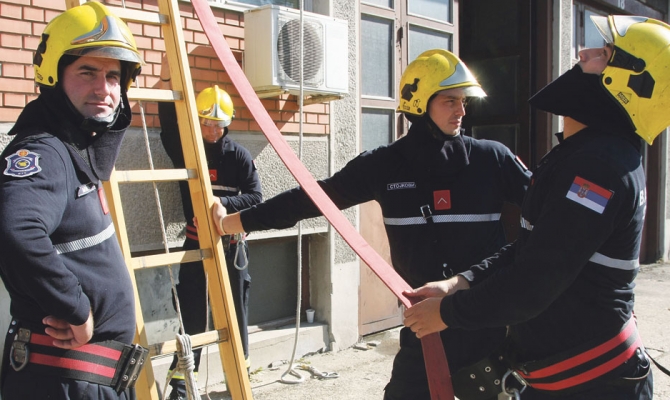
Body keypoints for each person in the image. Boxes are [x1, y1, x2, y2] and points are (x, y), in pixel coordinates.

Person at [210, 49, 532, 399]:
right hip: (424, 330)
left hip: (488, 326)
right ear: (420, 103)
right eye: (450, 101)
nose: (461, 111)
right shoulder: (384, 166)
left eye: (463, 101)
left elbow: (551, 213)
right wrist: (233, 222)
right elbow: (311, 200)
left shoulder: (492, 159)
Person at [403, 15, 670, 400]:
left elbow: (533, 282)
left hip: (594, 387)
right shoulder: (584, 154)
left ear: (631, 84)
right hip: (563, 381)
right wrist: (461, 282)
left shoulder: (599, 169)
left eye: (605, 54)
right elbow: (533, 248)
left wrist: (446, 314)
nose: (584, 54)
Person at [0, 2, 148, 399]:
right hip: (61, 382)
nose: (104, 89)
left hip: (86, 382)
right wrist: (75, 308)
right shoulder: (44, 151)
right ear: (54, 75)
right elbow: (16, 229)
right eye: (87, 72)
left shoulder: (74, 152)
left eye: (113, 76)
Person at [157, 60, 263, 400]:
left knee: (235, 311)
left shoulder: (239, 156)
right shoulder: (187, 150)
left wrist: (224, 205)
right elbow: (168, 125)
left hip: (233, 247)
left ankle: (240, 379)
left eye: (219, 125)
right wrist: (166, 77)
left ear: (227, 124)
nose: (213, 131)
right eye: (206, 123)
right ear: (198, 120)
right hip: (196, 243)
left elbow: (256, 196)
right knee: (192, 312)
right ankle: (182, 383)